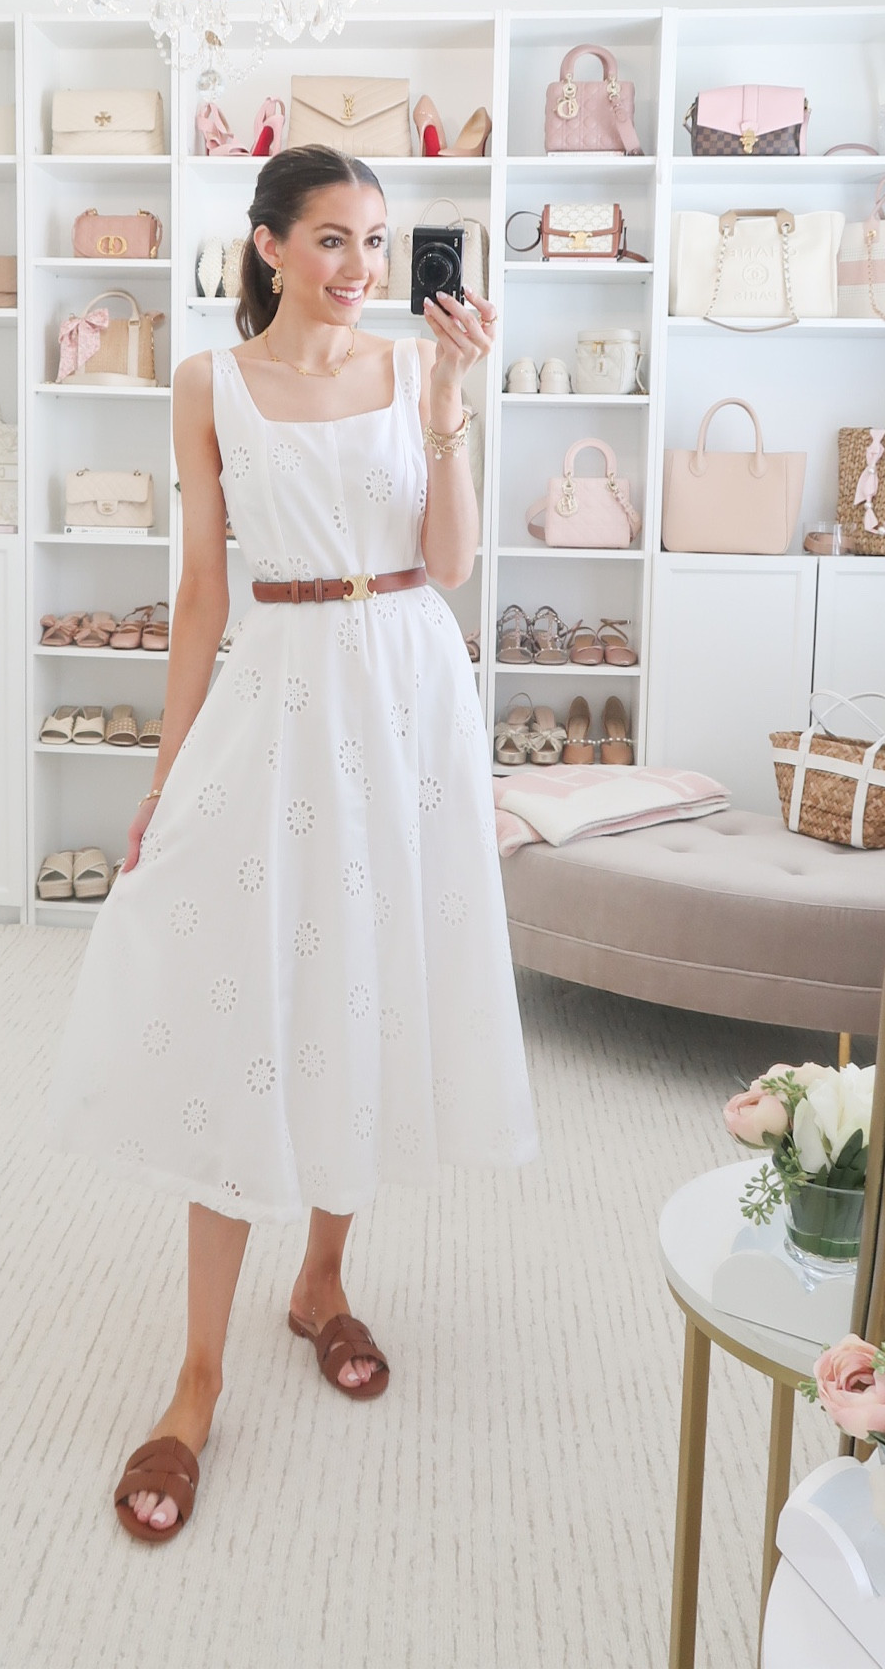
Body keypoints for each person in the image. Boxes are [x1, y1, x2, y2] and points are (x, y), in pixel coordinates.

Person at [44, 143, 539, 1543]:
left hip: (405, 691)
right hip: (279, 695)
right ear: (265, 244)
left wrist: (450, 404)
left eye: (374, 241)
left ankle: (319, 1279)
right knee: (240, 1015)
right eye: (330, 239)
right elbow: (200, 593)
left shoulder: (407, 372)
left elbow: (447, 565)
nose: (360, 268)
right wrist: (164, 772)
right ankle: (194, 1378)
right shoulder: (206, 386)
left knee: (367, 988)